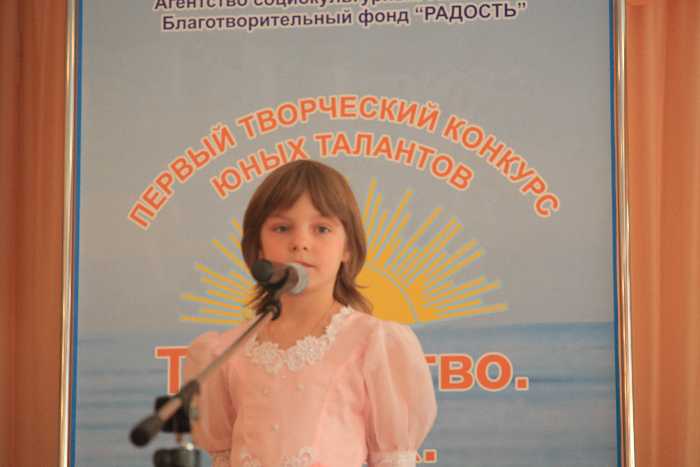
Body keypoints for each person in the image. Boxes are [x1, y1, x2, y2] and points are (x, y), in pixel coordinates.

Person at [184, 160, 437, 467]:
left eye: (322, 229)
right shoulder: (226, 351)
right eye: (281, 228)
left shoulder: (371, 341)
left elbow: (392, 459)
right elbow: (223, 456)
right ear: (258, 247)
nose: (300, 243)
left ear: (347, 248)